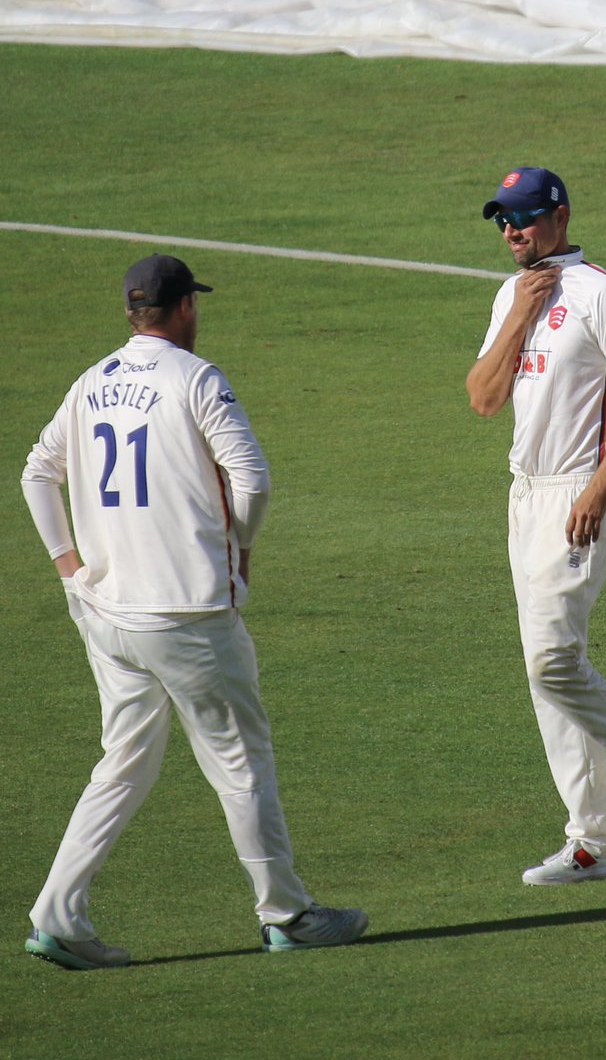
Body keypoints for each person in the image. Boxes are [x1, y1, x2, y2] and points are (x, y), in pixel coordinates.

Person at [21, 253, 368, 968]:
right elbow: (253, 478)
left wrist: (68, 567)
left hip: (108, 611)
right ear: (184, 309)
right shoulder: (196, 378)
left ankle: (57, 915)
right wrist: (238, 548)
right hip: (186, 614)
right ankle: (287, 914)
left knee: (123, 764)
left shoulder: (91, 383)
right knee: (241, 761)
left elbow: (36, 472)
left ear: (130, 311)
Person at [467, 167, 606, 885]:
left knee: (552, 663)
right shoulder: (513, 293)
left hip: (580, 494)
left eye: (526, 217)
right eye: (503, 220)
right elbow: (482, 398)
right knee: (547, 673)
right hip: (525, 495)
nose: (512, 231)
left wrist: (601, 488)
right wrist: (517, 318)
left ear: (559, 217)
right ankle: (595, 840)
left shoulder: (600, 291)